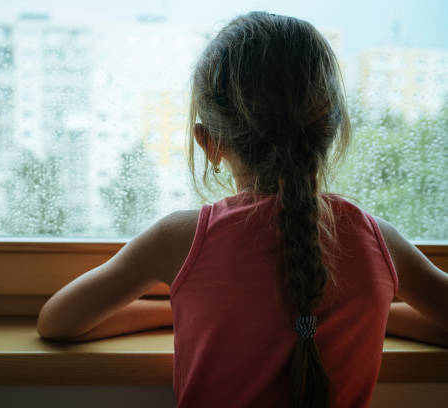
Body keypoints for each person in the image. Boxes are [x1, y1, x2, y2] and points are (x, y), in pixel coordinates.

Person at [37, 11, 448, 408]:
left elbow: (58, 320)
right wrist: (368, 316)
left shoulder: (181, 239)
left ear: (208, 142)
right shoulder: (378, 242)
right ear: (330, 129)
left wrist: (177, 312)